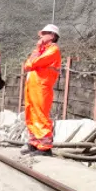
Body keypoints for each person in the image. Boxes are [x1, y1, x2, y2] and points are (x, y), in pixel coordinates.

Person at [22, 24, 62, 155]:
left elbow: (32, 63)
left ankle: (45, 146)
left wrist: (32, 60)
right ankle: (34, 142)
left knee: (40, 114)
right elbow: (27, 65)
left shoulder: (53, 50)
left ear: (52, 36)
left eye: (44, 33)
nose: (41, 36)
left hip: (41, 87)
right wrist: (37, 49)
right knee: (30, 112)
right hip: (33, 86)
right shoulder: (41, 49)